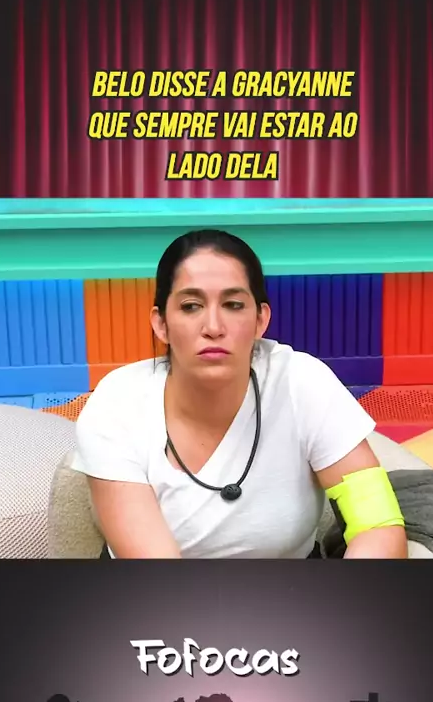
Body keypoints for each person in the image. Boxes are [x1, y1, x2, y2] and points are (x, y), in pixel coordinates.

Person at [72, 229, 407, 559]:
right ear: (161, 324)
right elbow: (158, 573)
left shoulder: (302, 382)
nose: (213, 327)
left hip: (293, 590)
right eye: (191, 306)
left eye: (233, 305)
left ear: (261, 320)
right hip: (158, 591)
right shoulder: (117, 403)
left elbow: (377, 525)